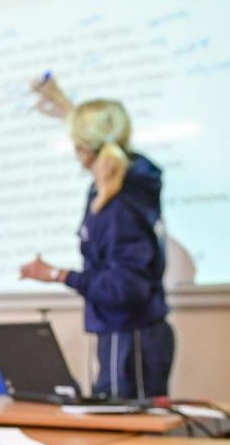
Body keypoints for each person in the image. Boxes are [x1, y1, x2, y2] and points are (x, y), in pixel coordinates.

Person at [20, 76, 174, 398]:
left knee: (125, 437)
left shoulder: (119, 204)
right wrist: (63, 104)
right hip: (126, 334)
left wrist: (57, 274)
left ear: (83, 147)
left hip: (130, 338)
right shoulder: (127, 183)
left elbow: (124, 287)